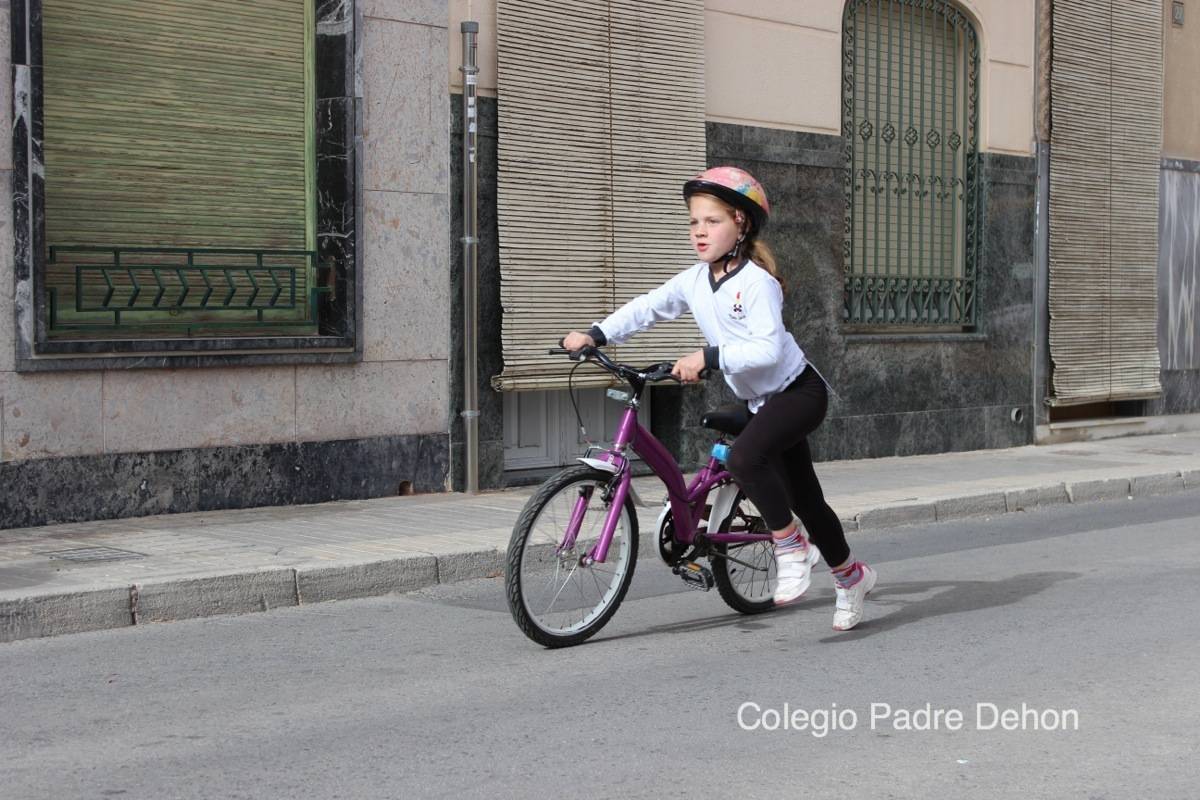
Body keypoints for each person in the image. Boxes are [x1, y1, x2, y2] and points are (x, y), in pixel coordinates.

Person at [561, 166, 877, 631]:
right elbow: (650, 306)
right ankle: (852, 577)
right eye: (693, 222)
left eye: (712, 221)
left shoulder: (757, 283)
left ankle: (791, 548)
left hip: (797, 392)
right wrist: (596, 333)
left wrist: (708, 355)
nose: (700, 232)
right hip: (759, 404)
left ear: (740, 223)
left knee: (747, 457)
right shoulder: (694, 280)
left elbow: (768, 348)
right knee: (807, 499)